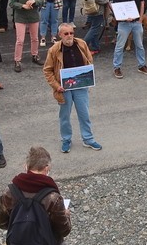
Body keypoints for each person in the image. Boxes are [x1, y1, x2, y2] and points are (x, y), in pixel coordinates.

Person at [42, 23, 102, 152]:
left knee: (84, 114)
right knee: (64, 116)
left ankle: (88, 139)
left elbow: (89, 60)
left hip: (81, 86)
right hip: (64, 89)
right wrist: (57, 86)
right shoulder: (54, 50)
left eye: (71, 33)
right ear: (60, 35)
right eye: (66, 33)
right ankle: (66, 140)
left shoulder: (81, 44)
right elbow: (47, 71)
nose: (69, 36)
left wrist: (88, 76)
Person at [112, 0, 147, 79]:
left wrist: (140, 18)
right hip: (123, 22)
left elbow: (143, 2)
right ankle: (116, 67)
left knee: (140, 45)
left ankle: (142, 65)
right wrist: (124, 17)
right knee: (120, 46)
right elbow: (115, 6)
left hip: (136, 21)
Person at [9, 0, 43, 72]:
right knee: (20, 40)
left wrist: (34, 1)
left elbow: (41, 1)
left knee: (35, 38)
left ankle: (35, 55)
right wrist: (22, 6)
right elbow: (12, 3)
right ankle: (17, 60)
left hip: (33, 15)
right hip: (20, 16)